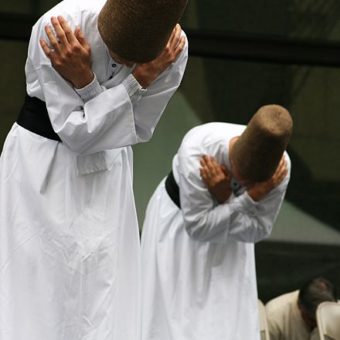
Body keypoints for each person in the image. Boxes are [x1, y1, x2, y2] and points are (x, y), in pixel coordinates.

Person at [0, 0, 188, 339]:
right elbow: (76, 133)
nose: (125, 66)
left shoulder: (171, 54)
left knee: (101, 285)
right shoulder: (61, 29)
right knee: (37, 283)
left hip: (108, 173)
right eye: (117, 54)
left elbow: (137, 128)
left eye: (134, 64)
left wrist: (89, 84)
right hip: (42, 165)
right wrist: (133, 86)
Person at [141, 105, 293, 340]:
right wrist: (248, 199)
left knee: (225, 315)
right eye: (239, 177)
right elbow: (199, 227)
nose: (241, 183)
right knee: (173, 312)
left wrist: (230, 199)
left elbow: (259, 229)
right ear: (231, 155)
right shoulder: (198, 148)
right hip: (180, 227)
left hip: (233, 238)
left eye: (250, 184)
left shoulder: (279, 171)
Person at [265, 277, 338, 340]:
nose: (319, 325)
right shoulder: (272, 317)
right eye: (313, 321)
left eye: (323, 320)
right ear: (299, 305)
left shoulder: (336, 312)